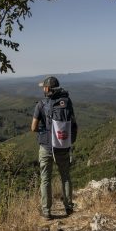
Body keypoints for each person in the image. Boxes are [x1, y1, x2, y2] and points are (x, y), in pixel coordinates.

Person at [31, 76, 78, 220]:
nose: (43, 89)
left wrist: (43, 132)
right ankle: (69, 207)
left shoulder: (41, 104)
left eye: (44, 87)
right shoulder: (67, 102)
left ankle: (46, 211)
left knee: (45, 179)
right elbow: (73, 124)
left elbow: (33, 128)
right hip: (62, 146)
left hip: (46, 146)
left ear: (48, 89)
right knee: (65, 176)